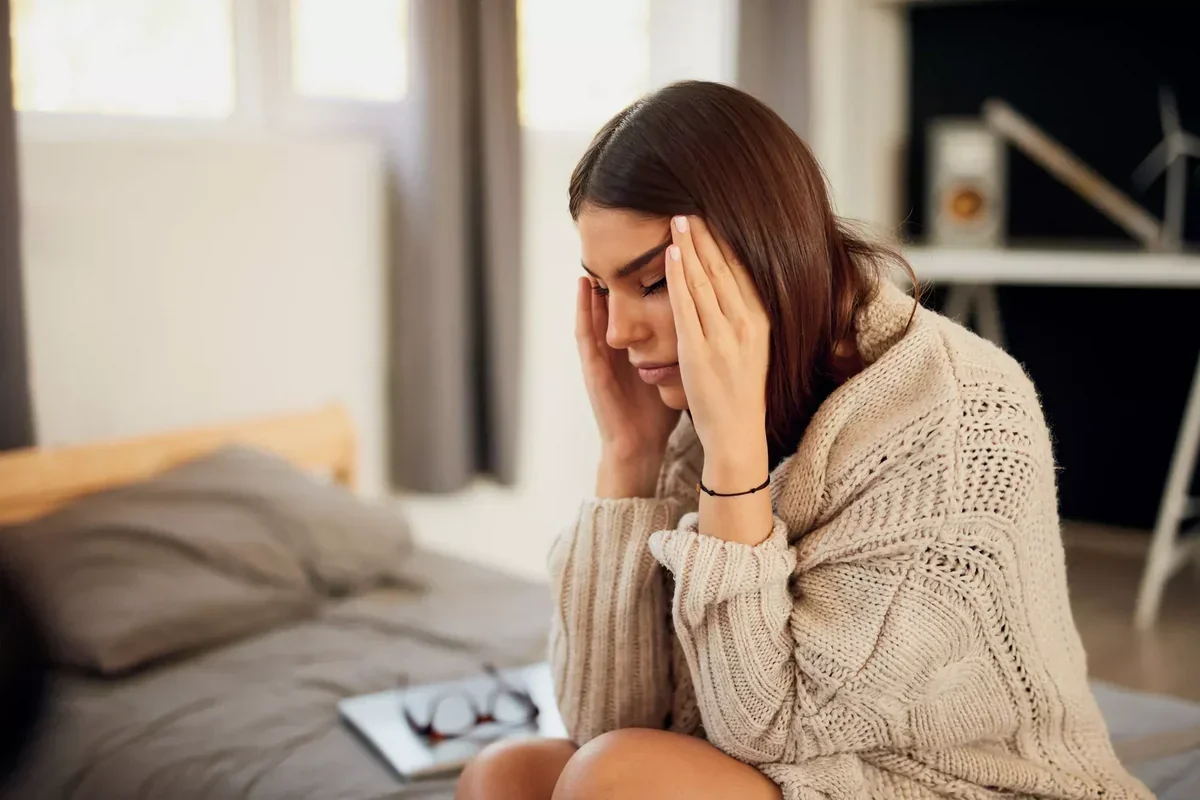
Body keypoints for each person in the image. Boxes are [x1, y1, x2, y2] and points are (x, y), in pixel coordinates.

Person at [456, 81, 1150, 799]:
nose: (617, 332)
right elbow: (603, 719)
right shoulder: (690, 404)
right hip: (798, 765)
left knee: (614, 778)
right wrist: (627, 458)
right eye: (603, 289)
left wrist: (733, 459)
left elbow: (770, 728)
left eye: (654, 283)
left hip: (950, 782)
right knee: (508, 775)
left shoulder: (962, 416)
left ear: (760, 255)